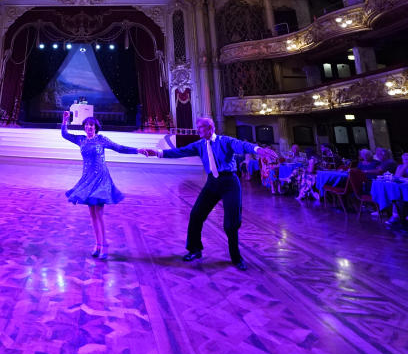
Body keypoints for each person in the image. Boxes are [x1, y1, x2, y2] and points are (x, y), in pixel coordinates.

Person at [141, 116, 277, 270]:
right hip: (212, 183)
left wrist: (258, 150)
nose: (198, 130)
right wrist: (157, 153)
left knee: (230, 224)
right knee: (196, 215)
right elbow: (180, 152)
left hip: (229, 183)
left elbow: (241, 145)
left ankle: (236, 257)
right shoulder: (199, 145)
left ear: (210, 128)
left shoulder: (225, 141)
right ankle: (195, 250)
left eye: (201, 127)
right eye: (197, 127)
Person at [60, 112, 143, 260]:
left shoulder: (102, 139)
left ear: (95, 127)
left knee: (99, 214)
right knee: (92, 215)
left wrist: (138, 151)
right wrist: (65, 120)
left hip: (101, 180)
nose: (88, 127)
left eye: (91, 125)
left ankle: (104, 245)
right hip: (87, 180)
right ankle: (97, 245)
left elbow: (119, 148)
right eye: (86, 125)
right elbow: (65, 134)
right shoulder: (81, 140)